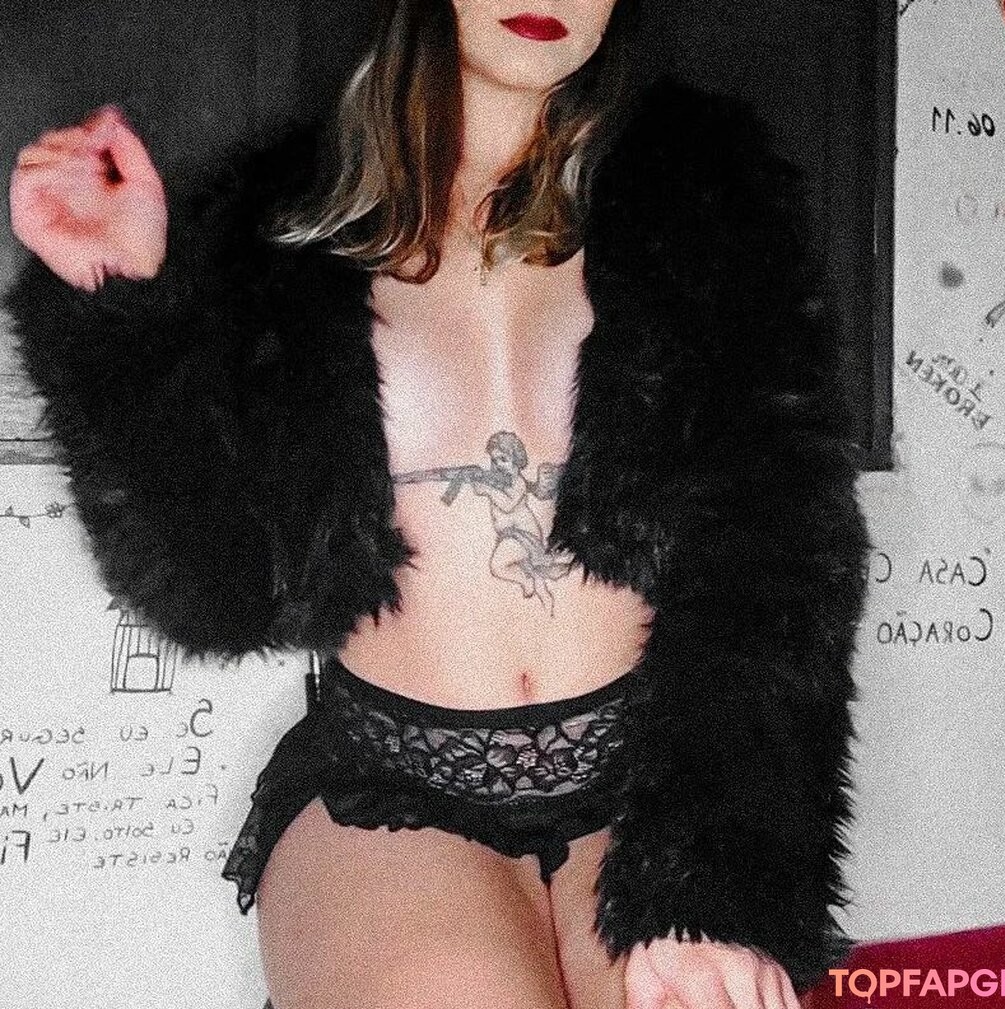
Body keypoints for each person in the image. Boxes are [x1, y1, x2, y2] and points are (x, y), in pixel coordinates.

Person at [5, 1, 872, 1007]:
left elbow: (783, 555)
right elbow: (216, 593)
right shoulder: (278, 226)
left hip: (659, 785)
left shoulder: (711, 199)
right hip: (395, 790)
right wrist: (122, 304)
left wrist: (716, 879)